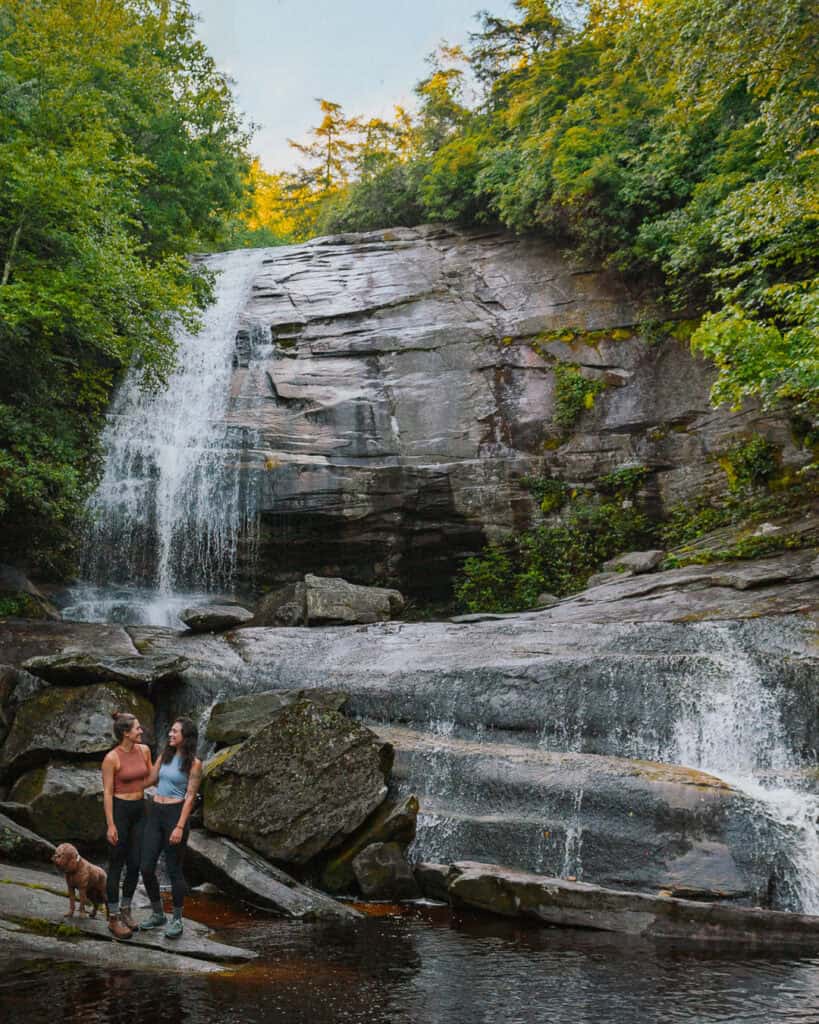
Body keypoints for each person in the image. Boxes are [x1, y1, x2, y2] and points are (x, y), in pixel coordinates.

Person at [140, 717, 202, 939]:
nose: (170, 734)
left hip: (175, 816)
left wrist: (179, 826)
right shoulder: (164, 756)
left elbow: (190, 796)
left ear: (186, 736)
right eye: (171, 731)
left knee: (174, 870)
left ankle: (177, 919)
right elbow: (149, 779)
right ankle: (158, 913)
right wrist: (120, 783)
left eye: (175, 732)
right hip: (155, 813)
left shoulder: (194, 763)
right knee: (146, 866)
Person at [101, 712, 152, 940]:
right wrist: (111, 825)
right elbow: (108, 793)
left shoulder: (145, 751)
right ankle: (113, 918)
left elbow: (150, 778)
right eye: (138, 728)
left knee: (135, 864)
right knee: (116, 865)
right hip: (120, 812)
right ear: (126, 733)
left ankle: (126, 910)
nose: (141, 731)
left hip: (141, 811)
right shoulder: (112, 758)